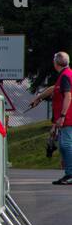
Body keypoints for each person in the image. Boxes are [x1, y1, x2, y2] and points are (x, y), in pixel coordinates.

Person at [32, 52, 72, 185]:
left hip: (68, 118)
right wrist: (39, 97)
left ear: (56, 63)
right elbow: (54, 89)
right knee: (63, 145)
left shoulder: (65, 76)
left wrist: (61, 116)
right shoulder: (65, 75)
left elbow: (68, 96)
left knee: (66, 145)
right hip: (66, 118)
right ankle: (68, 173)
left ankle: (70, 174)